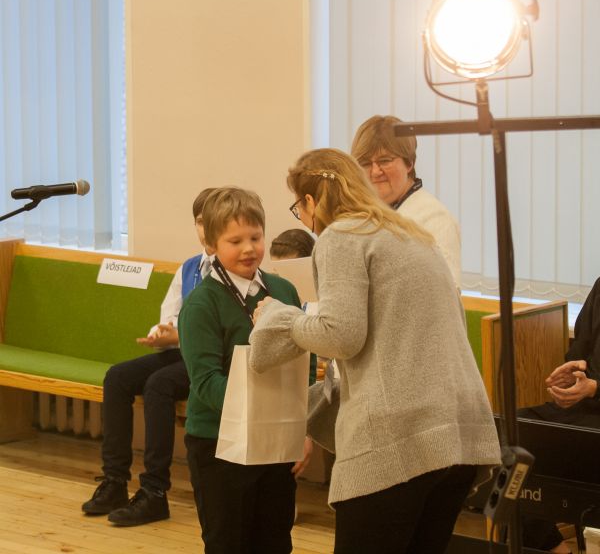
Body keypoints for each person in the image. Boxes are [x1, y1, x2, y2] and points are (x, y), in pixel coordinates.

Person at [249, 148, 500, 554]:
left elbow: (340, 335)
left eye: (299, 208)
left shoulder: (341, 236)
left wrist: (280, 316)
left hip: (402, 434)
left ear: (311, 201)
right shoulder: (410, 233)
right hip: (460, 433)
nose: (304, 219)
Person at [178, 187, 316, 554]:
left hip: (276, 441)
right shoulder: (201, 304)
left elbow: (304, 361)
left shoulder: (283, 290)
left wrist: (303, 428)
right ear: (211, 245)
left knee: (275, 541)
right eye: (235, 241)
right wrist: (262, 408)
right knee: (228, 542)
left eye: (255, 237)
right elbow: (206, 382)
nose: (248, 249)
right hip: (218, 443)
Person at [82, 187, 216, 526]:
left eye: (213, 221)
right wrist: (161, 333)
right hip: (181, 352)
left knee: (159, 384)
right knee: (117, 376)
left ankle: (154, 492)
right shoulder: (189, 268)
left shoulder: (231, 271)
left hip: (210, 360)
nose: (205, 229)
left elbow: (220, 332)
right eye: (200, 221)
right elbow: (170, 315)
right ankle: (115, 480)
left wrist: (180, 335)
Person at [519, 278, 600, 553]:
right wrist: (572, 371)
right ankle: (553, 546)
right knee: (513, 434)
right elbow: (580, 349)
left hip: (594, 412)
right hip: (582, 410)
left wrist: (595, 388)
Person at [351, 114, 461, 287]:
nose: (375, 172)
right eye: (365, 163)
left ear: (409, 163)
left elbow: (447, 292)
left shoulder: (435, 220)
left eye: (384, 161)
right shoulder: (361, 216)